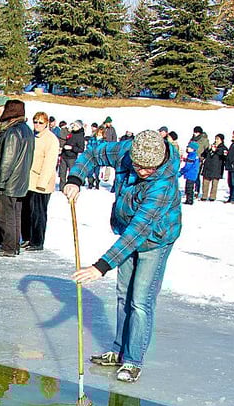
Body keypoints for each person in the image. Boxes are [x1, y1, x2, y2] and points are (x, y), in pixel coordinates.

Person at [65, 130, 182, 383]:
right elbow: (93, 153)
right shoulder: (127, 152)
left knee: (140, 300)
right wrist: (75, 177)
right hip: (128, 230)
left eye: (149, 168)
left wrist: (101, 266)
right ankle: (119, 351)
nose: (143, 171)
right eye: (138, 166)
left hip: (156, 239)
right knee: (122, 294)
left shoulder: (163, 185)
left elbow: (137, 233)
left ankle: (133, 360)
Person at [0, 99, 35, 257]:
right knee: (14, 215)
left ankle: (8, 247)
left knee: (5, 215)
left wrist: (0, 181)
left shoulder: (13, 132)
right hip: (19, 181)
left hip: (9, 183)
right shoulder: (26, 130)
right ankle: (13, 245)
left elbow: (8, 159)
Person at [20, 110, 60, 252]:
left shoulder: (51, 139)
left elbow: (49, 163)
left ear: (46, 124)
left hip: (41, 183)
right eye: (35, 122)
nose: (37, 125)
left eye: (40, 122)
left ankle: (37, 241)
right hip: (29, 181)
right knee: (26, 212)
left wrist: (42, 183)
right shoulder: (32, 135)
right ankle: (27, 237)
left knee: (38, 213)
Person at [199, 134, 226, 202]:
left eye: (218, 139)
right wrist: (208, 150)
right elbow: (204, 154)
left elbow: (224, 155)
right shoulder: (211, 146)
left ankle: (212, 197)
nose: (216, 140)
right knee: (205, 182)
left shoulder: (223, 148)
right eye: (216, 139)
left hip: (217, 168)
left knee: (214, 184)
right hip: (208, 167)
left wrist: (216, 150)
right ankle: (204, 196)